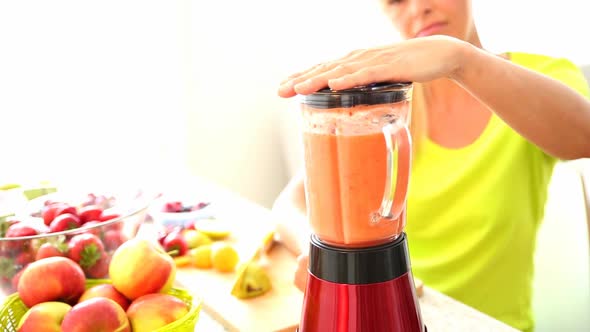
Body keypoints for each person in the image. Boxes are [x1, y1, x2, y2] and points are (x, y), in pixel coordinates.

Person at [271, 1, 590, 331]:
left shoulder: (541, 76)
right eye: (396, 0)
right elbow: (289, 204)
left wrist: (460, 60)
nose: (419, 8)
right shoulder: (384, 109)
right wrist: (321, 258)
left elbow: (584, 137)